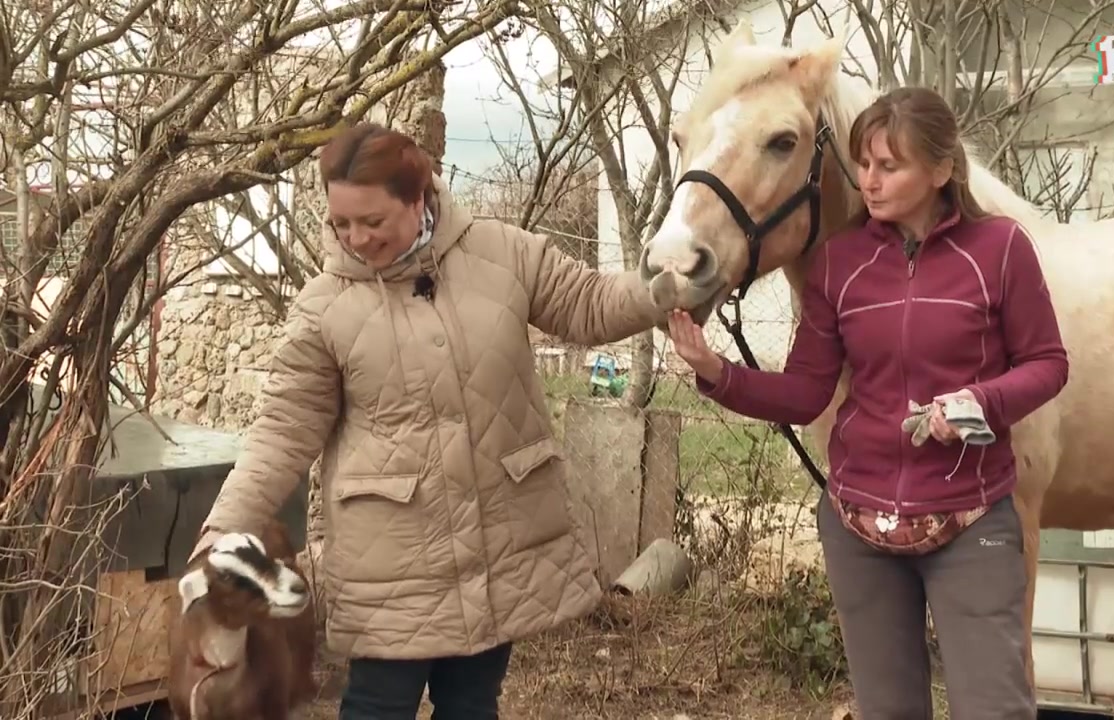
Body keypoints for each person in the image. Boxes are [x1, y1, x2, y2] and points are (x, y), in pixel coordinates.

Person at [184, 122, 664, 720]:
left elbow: (593, 304)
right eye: (341, 224)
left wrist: (665, 287)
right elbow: (281, 434)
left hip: (496, 549)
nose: (356, 238)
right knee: (376, 708)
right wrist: (219, 535)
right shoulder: (326, 308)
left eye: (373, 221)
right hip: (391, 569)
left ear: (419, 199)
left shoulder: (502, 253)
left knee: (472, 704)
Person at [668, 86, 1069, 718]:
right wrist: (717, 372)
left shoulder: (1000, 249)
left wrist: (979, 402)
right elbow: (804, 393)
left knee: (993, 708)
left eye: (890, 165)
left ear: (940, 170)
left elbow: (1048, 364)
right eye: (864, 164)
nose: (870, 181)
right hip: (861, 531)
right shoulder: (840, 264)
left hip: (971, 523)